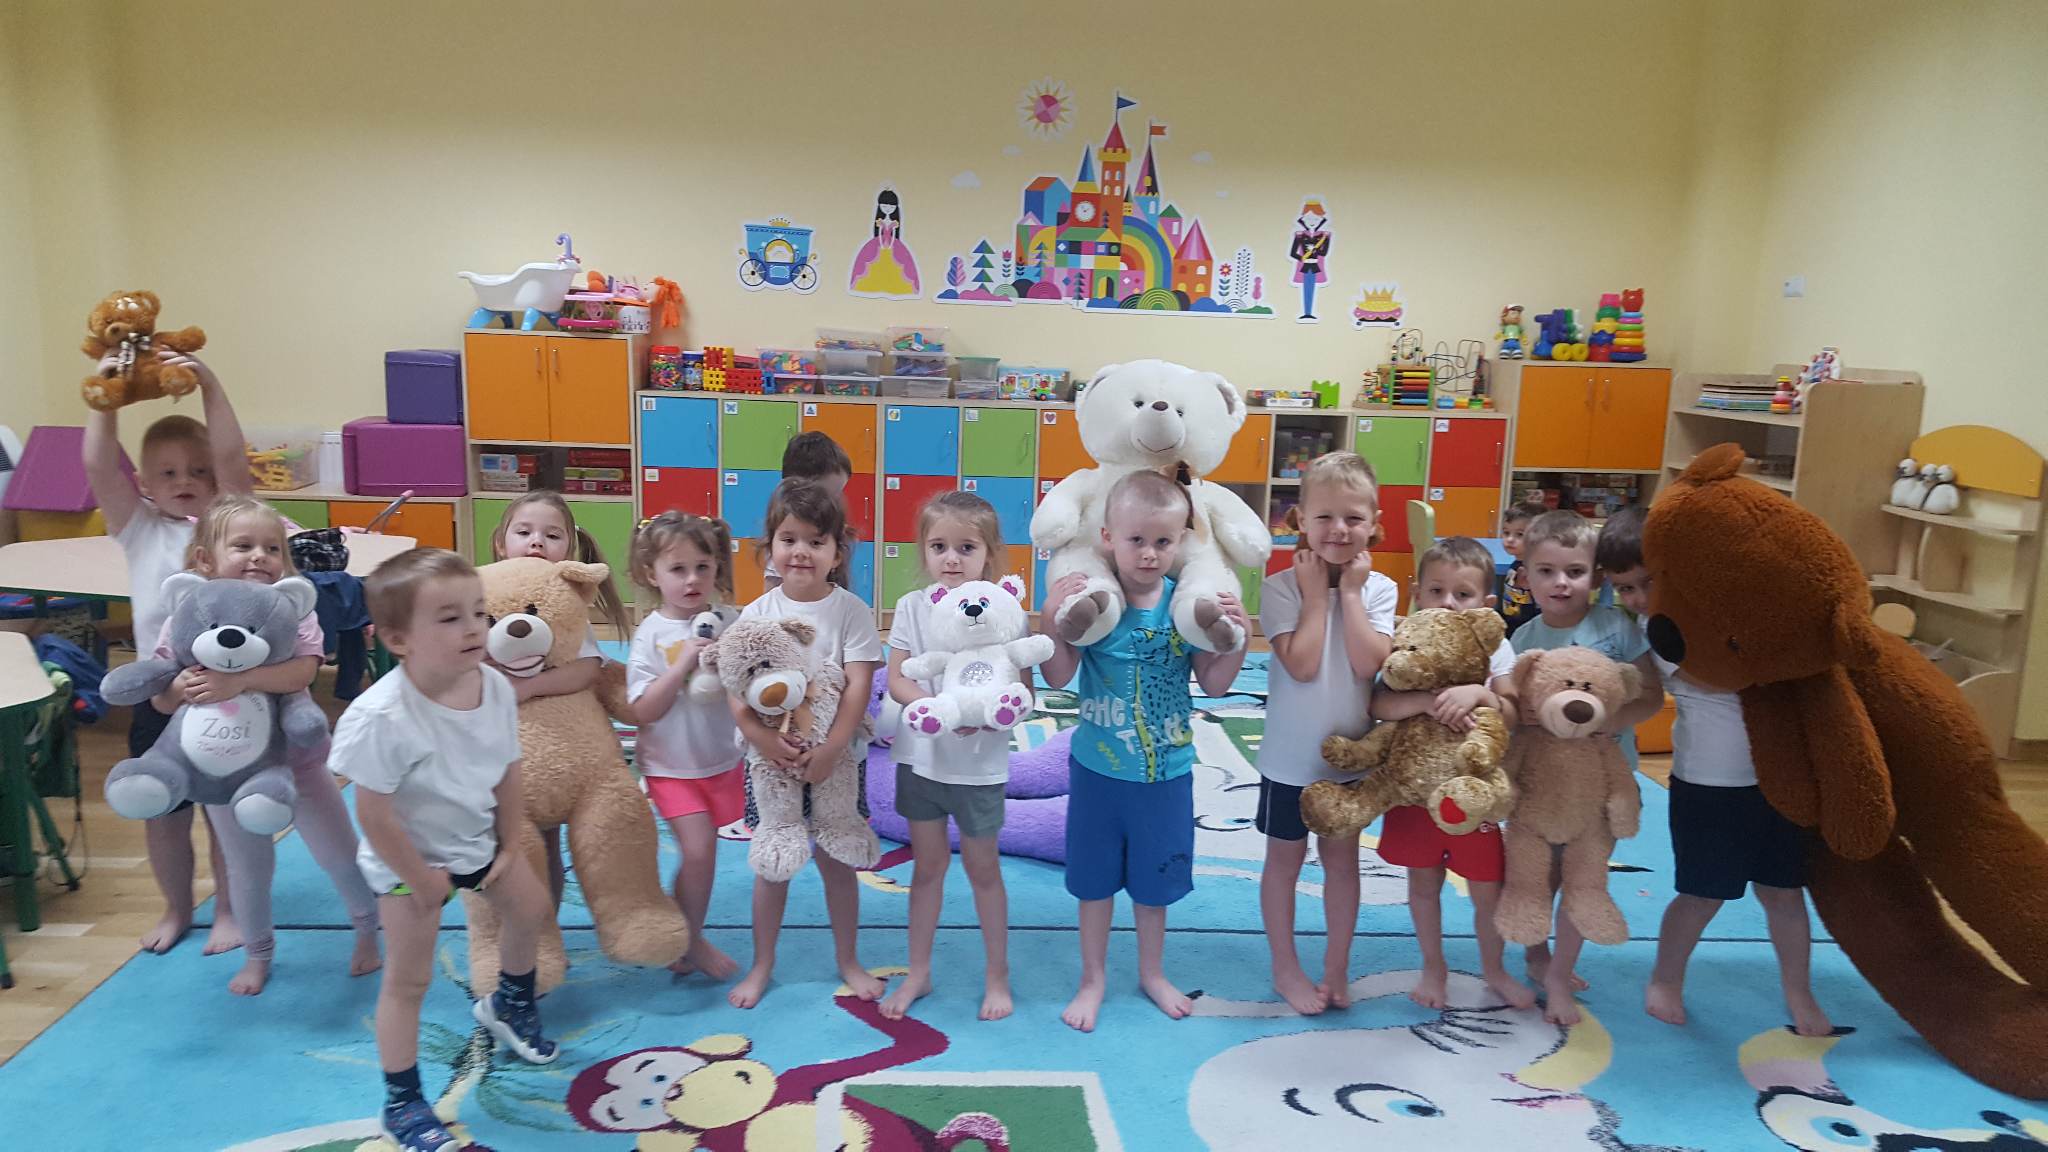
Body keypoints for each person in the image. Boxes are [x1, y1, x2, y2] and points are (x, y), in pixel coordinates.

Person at [335, 549, 559, 1152]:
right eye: (450, 618)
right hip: (407, 864)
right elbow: (373, 814)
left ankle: (509, 1004)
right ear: (398, 639)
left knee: (531, 908)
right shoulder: (381, 716)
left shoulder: (493, 686)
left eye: (479, 612)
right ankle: (402, 1103)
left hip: (475, 840)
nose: (474, 628)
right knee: (408, 982)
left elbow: (508, 766)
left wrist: (508, 841)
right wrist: (420, 878)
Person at [1598, 506, 1833, 1037]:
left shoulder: (1714, 612)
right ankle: (1665, 978)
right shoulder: (1659, 632)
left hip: (1775, 781)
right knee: (1702, 895)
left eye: (1647, 582)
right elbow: (1719, 676)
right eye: (1625, 588)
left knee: (1784, 893)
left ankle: (1799, 991)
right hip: (1708, 789)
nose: (1638, 597)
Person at [1040, 470, 1249, 1032]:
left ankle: (1152, 972)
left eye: (1163, 541)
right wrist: (1050, 619)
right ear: (1108, 537)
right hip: (1098, 775)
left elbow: (1216, 684)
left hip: (1166, 777)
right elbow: (1056, 677)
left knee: (1154, 887)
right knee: (1094, 885)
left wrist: (1238, 636)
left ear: (1181, 542)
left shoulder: (1186, 607)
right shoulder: (1095, 604)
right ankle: (1093, 978)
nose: (1150, 554)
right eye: (1136, 540)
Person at [149, 496, 381, 993]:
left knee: (339, 853)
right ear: (205, 559)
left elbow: (304, 671)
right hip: (227, 773)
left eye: (272, 548)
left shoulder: (289, 608)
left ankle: (368, 930)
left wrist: (241, 680)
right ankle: (258, 954)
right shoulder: (188, 613)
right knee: (247, 868)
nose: (260, 556)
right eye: (243, 546)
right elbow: (162, 698)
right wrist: (177, 689)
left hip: (300, 765)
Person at [81, 346, 252, 955]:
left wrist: (209, 383)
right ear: (145, 485)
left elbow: (232, 458)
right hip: (158, 692)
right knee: (164, 813)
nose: (185, 483)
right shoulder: (138, 528)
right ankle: (177, 908)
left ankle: (228, 908)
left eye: (197, 472)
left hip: (226, 692)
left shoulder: (227, 526)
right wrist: (104, 399)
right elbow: (99, 464)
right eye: (170, 473)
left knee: (224, 815)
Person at [728, 480, 884, 1009]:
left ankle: (849, 959)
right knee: (773, 864)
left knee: (837, 861)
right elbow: (735, 688)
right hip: (771, 766)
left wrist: (834, 748)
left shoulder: (850, 611)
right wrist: (763, 740)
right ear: (770, 547)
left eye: (817, 542)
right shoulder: (756, 614)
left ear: (837, 554)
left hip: (836, 763)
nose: (801, 552)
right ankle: (762, 964)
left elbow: (858, 687)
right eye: (789, 539)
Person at [1508, 509, 1664, 1025]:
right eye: (1547, 571)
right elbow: (1512, 712)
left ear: (1596, 577)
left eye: (1574, 571)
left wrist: (1610, 720)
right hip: (1540, 788)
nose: (1561, 582)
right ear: (1526, 576)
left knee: (1584, 879)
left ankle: (1559, 975)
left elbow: (1650, 695)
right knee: (1539, 875)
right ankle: (1536, 954)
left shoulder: (1618, 627)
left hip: (1601, 786)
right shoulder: (1523, 641)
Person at [1253, 452, 1394, 1015]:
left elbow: (1367, 663)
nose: (1339, 530)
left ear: (1374, 523)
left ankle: (1337, 968)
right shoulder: (1281, 588)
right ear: (1300, 521)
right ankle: (1284, 967)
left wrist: (1349, 596)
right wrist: (1317, 597)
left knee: (1342, 863)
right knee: (1283, 863)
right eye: (1325, 517)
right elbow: (1303, 664)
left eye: (1354, 518)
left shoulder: (1379, 589)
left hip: (1350, 763)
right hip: (1289, 762)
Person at [1369, 536, 1533, 1011]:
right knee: (1423, 885)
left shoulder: (1495, 648)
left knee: (1487, 888)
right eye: (1437, 591)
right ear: (1416, 593)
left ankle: (1494, 969)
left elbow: (1512, 712)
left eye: (1462, 595)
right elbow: (1379, 704)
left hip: (1472, 792)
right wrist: (1425, 701)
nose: (1448, 603)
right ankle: (1433, 967)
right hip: (1414, 793)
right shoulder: (1407, 640)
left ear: (1486, 604)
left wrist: (1478, 694)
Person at [880, 491, 1017, 1023]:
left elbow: (1021, 689)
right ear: (923, 550)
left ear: (989, 553)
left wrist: (988, 715)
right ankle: (918, 971)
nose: (951, 559)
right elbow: (896, 678)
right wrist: (934, 707)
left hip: (979, 767)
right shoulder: (913, 608)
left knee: (984, 868)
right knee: (928, 867)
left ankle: (997, 974)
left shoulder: (1003, 611)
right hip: (923, 761)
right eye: (939, 547)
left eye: (966, 547)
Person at [489, 490, 629, 902]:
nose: (537, 542)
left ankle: (545, 919)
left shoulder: (565, 607)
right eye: (524, 532)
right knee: (506, 839)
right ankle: (519, 921)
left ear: (569, 549)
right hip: (499, 747)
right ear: (501, 543)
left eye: (552, 536)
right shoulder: (484, 593)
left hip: (555, 745)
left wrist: (529, 687)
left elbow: (587, 669)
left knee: (548, 839)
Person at [624, 511, 745, 982]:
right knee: (697, 852)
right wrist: (682, 667)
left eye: (702, 567)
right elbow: (642, 710)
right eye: (678, 569)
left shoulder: (730, 621)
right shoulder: (651, 634)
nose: (692, 579)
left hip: (721, 761)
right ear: (651, 574)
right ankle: (690, 940)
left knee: (705, 855)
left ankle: (683, 939)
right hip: (670, 767)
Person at [764, 432, 853, 591]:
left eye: (838, 494)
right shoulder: (785, 540)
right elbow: (771, 598)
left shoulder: (833, 534)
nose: (834, 504)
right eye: (829, 495)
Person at [1498, 500, 1547, 636]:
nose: (1509, 539)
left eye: (1519, 534)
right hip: (1510, 625)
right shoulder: (1516, 564)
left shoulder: (1538, 570)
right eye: (1506, 532)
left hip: (1528, 632)